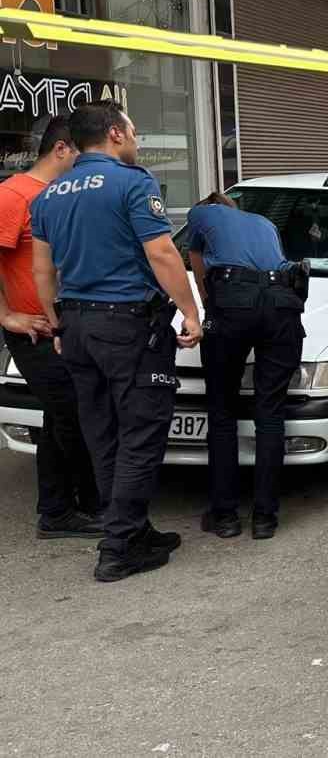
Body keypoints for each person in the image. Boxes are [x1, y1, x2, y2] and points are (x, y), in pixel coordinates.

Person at [31, 100, 202, 582]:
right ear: (114, 134)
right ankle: (120, 545)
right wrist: (190, 311)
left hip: (78, 326)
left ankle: (132, 528)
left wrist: (56, 325)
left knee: (102, 433)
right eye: (133, 129)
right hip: (126, 326)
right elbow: (163, 253)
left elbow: (43, 271)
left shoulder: (47, 195)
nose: (138, 138)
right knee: (141, 433)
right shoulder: (132, 183)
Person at [0, 116, 99, 539]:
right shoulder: (13, 194)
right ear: (62, 149)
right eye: (80, 152)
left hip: (63, 327)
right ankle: (59, 512)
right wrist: (5, 315)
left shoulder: (59, 195)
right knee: (68, 415)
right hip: (33, 331)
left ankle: (68, 506)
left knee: (62, 416)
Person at [187, 192, 306, 540]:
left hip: (233, 302)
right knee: (270, 412)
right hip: (284, 303)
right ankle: (265, 518)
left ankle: (224, 516)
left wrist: (209, 304)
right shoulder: (264, 223)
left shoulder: (201, 214)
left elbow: (196, 260)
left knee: (222, 409)